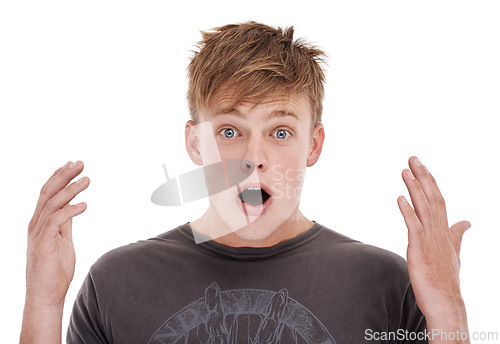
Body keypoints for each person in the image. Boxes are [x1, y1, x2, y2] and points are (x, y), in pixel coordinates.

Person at [20, 21, 471, 344]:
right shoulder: (117, 284)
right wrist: (43, 303)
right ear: (196, 144)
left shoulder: (389, 285)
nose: (253, 159)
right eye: (230, 132)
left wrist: (447, 311)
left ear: (312, 147)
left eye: (280, 132)